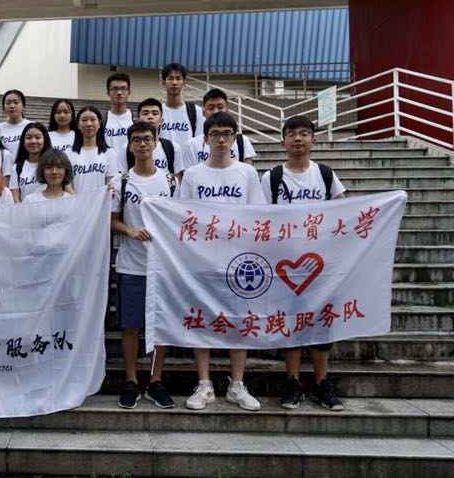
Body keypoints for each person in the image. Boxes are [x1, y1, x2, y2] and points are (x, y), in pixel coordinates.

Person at [180, 112, 265, 412]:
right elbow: (183, 215)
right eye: (215, 134)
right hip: (202, 259)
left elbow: (258, 215)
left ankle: (237, 384)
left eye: (227, 134)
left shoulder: (247, 173)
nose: (221, 139)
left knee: (239, 320)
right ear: (205, 139)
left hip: (238, 261)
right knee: (201, 318)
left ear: (234, 138)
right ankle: (204, 384)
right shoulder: (192, 175)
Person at [261, 115, 346, 411]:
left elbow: (344, 210)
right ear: (282, 141)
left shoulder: (325, 174)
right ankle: (293, 382)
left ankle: (322, 383)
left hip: (320, 264)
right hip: (284, 265)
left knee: (321, 323)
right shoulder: (272, 177)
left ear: (313, 139)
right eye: (291, 134)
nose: (297, 138)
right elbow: (260, 218)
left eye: (304, 133)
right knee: (290, 322)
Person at [110, 122, 178, 410]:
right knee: (130, 327)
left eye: (147, 139)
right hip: (131, 265)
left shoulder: (170, 181)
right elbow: (111, 220)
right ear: (129, 145)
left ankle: (155, 381)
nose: (142, 144)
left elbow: (181, 220)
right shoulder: (121, 181)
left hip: (162, 267)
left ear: (156, 142)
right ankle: (131, 381)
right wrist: (130, 230)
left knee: (158, 327)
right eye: (136, 140)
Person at [182, 89, 257, 168]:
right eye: (211, 108)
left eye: (220, 107)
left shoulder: (242, 141)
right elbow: (190, 174)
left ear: (227, 110)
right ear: (203, 112)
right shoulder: (191, 145)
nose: (216, 111)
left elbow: (247, 172)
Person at [118, 98, 185, 182]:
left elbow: (177, 180)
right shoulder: (126, 148)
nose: (150, 117)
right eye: (145, 113)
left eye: (155, 113)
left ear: (162, 120)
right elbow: (122, 179)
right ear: (137, 119)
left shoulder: (173, 148)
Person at [69, 106, 118, 194]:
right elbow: (67, 186)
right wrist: (77, 200)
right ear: (78, 124)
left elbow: (110, 184)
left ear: (99, 123)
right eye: (84, 120)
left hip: (101, 202)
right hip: (76, 201)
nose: (89, 124)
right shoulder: (68, 153)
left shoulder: (109, 153)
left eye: (93, 120)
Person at [159, 62, 204, 146]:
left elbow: (199, 142)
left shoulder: (196, 111)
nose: (174, 82)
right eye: (170, 78)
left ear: (184, 82)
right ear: (163, 82)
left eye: (178, 78)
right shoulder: (157, 111)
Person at [10, 122, 52, 202]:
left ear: (45, 140)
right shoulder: (17, 168)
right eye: (28, 138)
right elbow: (15, 198)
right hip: (25, 209)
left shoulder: (52, 165)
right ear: (23, 142)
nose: (33, 141)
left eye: (37, 137)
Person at [102, 72, 135, 151]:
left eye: (123, 89)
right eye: (115, 89)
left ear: (129, 92)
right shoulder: (102, 119)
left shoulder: (135, 119)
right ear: (108, 93)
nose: (119, 93)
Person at [0, 89, 32, 160]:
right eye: (8, 103)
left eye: (16, 102)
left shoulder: (31, 126)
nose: (12, 106)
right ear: (3, 107)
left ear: (23, 106)